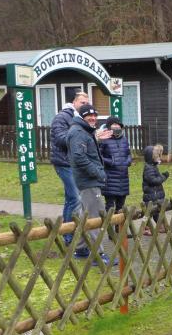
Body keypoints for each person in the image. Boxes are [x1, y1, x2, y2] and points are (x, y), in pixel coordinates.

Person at [66, 103, 116, 266]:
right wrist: (98, 172)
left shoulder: (84, 131)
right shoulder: (78, 132)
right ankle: (97, 254)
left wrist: (97, 139)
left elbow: (87, 151)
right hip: (88, 180)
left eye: (95, 115)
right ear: (82, 117)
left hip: (88, 180)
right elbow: (79, 157)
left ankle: (81, 249)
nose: (93, 118)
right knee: (96, 217)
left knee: (84, 215)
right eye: (89, 115)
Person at [50, 91, 89, 244]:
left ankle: (65, 231)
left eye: (87, 103)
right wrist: (81, 138)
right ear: (74, 102)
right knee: (76, 199)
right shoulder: (62, 117)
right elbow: (60, 139)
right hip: (64, 162)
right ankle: (69, 236)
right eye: (82, 102)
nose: (85, 105)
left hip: (76, 162)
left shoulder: (81, 118)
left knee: (70, 199)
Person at [98, 116, 132, 214]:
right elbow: (98, 155)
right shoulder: (104, 139)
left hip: (123, 177)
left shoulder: (124, 139)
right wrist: (111, 161)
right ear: (109, 126)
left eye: (118, 124)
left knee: (121, 207)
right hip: (110, 178)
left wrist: (128, 161)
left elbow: (128, 153)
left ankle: (119, 224)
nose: (116, 126)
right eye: (114, 124)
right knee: (110, 207)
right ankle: (109, 224)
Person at [142, 144, 169, 236]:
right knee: (150, 212)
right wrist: (164, 177)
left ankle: (161, 226)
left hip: (156, 194)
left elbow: (156, 177)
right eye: (156, 156)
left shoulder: (153, 166)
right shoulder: (148, 168)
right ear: (151, 157)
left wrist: (161, 175)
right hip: (151, 195)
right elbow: (153, 180)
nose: (158, 158)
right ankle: (145, 228)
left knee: (156, 212)